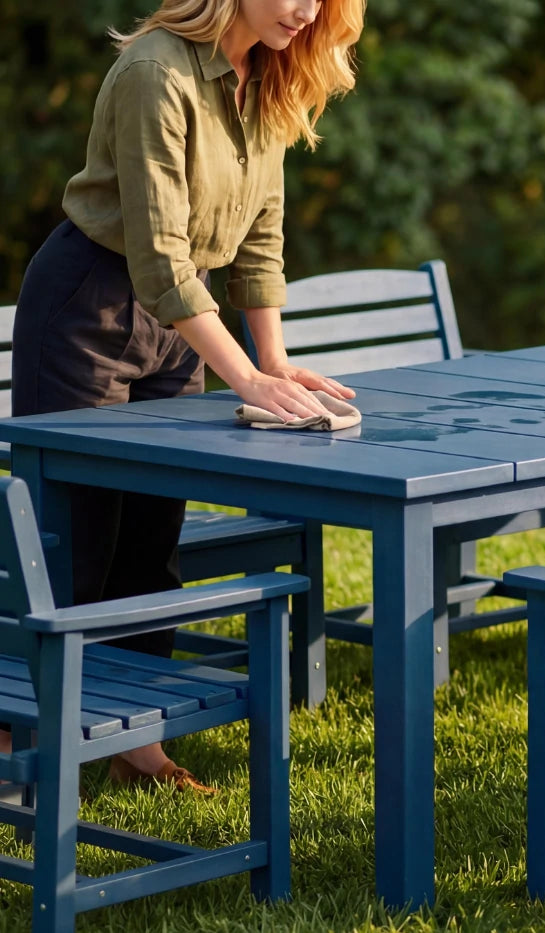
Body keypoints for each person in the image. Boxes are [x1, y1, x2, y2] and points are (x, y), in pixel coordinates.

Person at [4, 0, 365, 791]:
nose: (308, 12)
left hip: (182, 322)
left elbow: (260, 231)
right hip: (86, 309)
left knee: (150, 540)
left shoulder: (267, 74)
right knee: (73, 545)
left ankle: (137, 745)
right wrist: (246, 378)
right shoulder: (152, 72)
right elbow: (158, 254)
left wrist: (274, 357)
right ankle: (16, 739)